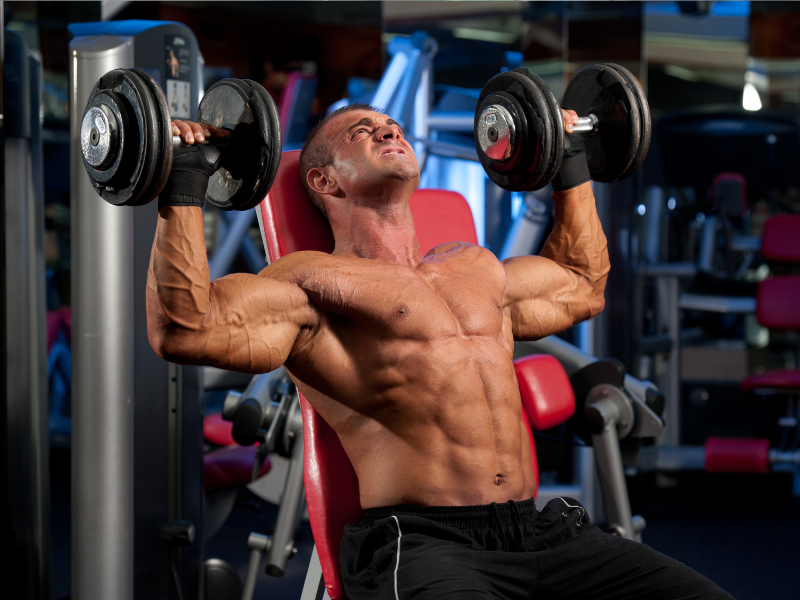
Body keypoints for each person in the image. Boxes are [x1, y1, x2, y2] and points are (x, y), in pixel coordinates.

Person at [152, 105, 735, 600]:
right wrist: (182, 182)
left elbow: (582, 286)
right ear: (325, 182)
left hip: (538, 531)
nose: (388, 131)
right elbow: (187, 327)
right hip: (424, 541)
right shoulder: (312, 282)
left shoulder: (472, 266)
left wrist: (570, 162)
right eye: (362, 133)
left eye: (391, 126)